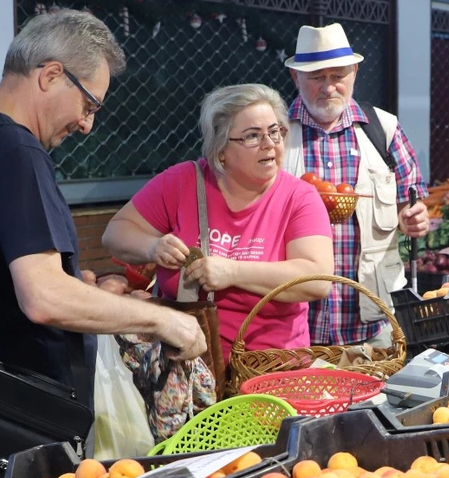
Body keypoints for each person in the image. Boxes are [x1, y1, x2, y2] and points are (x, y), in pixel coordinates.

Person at [0, 9, 206, 478]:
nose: (87, 125)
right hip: (25, 425)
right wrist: (163, 321)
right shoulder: (17, 153)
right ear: (51, 75)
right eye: (89, 104)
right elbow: (44, 297)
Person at [102, 84, 334, 361]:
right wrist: (153, 247)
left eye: (275, 131)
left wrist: (233, 272)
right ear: (221, 149)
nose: (269, 144)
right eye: (252, 136)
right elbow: (115, 234)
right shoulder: (182, 182)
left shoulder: (300, 197)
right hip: (187, 364)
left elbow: (317, 279)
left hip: (272, 368)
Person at [280, 23, 429, 347]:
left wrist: (415, 217)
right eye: (317, 77)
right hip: (292, 330)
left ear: (355, 73)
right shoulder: (276, 134)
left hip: (373, 327)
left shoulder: (384, 129)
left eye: (338, 76)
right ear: (296, 77)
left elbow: (411, 201)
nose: (328, 87)